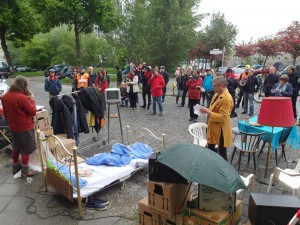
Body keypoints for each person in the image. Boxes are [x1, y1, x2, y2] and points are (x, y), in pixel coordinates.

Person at [2, 76, 38, 177]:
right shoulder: (22, 98)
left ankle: (15, 167)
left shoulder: (5, 96)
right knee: (25, 149)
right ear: (23, 85)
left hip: (13, 127)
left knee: (16, 147)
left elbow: (5, 113)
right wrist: (31, 99)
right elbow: (33, 111)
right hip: (24, 127)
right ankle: (25, 171)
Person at [200, 76, 233, 161]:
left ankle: (224, 169)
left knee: (222, 151)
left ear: (221, 85)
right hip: (214, 127)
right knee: (210, 147)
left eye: (215, 86)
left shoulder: (227, 98)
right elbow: (213, 109)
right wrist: (206, 110)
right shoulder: (217, 94)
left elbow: (223, 117)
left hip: (221, 129)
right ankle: (211, 164)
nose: (213, 88)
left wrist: (208, 112)